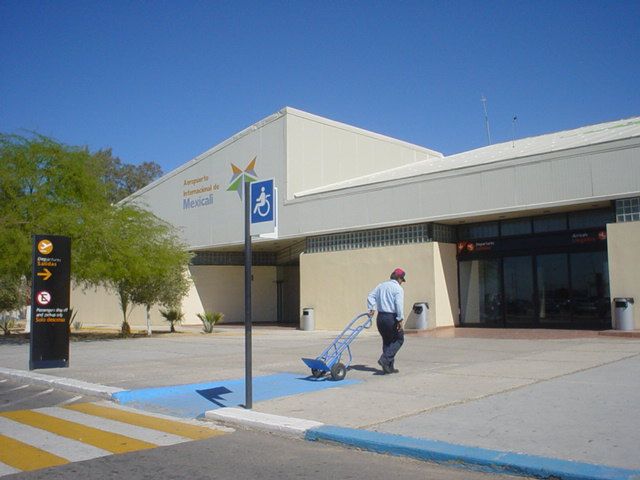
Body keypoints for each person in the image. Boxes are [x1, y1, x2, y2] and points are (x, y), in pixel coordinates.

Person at [367, 268, 406, 374]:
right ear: (399, 278)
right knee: (399, 339)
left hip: (380, 318)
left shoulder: (381, 286)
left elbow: (370, 296)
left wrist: (372, 308)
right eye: (402, 280)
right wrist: (400, 319)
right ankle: (384, 359)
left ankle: (388, 367)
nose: (402, 282)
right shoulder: (398, 289)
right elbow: (398, 305)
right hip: (391, 318)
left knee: (387, 341)